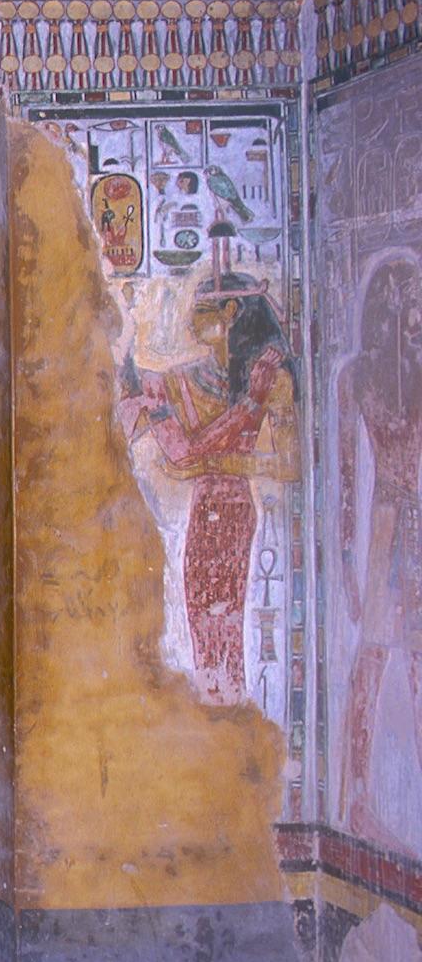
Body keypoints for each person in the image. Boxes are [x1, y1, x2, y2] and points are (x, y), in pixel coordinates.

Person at [120, 270, 298, 704]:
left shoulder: (271, 379)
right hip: (204, 510)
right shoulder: (184, 380)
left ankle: (230, 709)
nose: (190, 322)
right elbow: (181, 456)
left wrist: (216, 461)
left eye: (201, 311)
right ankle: (213, 707)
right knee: (201, 619)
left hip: (234, 511)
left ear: (230, 311)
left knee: (228, 620)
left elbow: (290, 465)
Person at [334, 256, 422, 847]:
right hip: (388, 523)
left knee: (413, 661)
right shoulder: (357, 378)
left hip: (406, 519)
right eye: (412, 299)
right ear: (391, 303)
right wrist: (346, 563)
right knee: (374, 654)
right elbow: (346, 481)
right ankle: (358, 797)